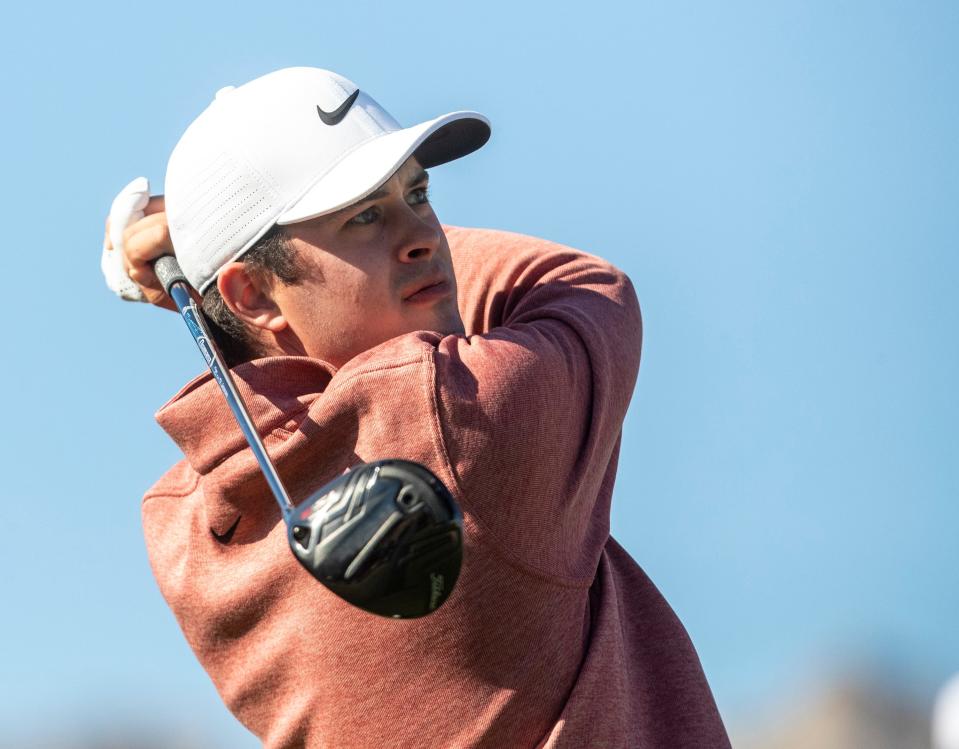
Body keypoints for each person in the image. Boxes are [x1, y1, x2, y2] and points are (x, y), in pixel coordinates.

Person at [103, 67, 731, 749]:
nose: (425, 236)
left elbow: (264, 367)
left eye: (418, 193)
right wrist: (204, 266)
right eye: (364, 215)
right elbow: (579, 285)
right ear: (253, 292)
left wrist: (215, 290)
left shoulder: (183, 529)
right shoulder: (468, 417)